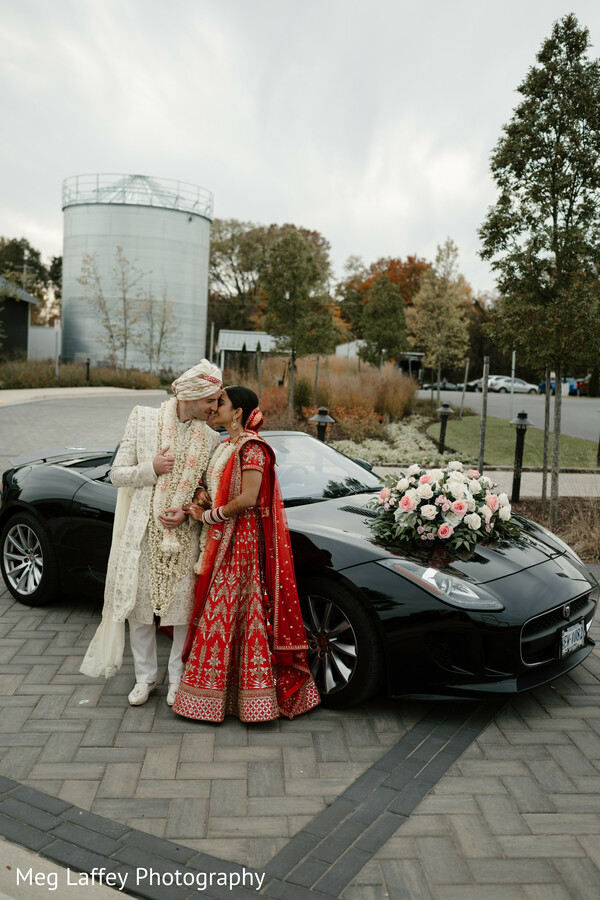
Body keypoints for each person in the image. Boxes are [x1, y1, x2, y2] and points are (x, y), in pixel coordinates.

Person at [172, 386, 320, 723]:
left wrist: (209, 515)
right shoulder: (226, 445)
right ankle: (216, 697)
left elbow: (249, 498)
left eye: (220, 403)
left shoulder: (253, 448)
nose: (214, 408)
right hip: (222, 538)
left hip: (243, 544)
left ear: (237, 412)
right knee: (222, 613)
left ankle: (251, 699)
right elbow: (215, 487)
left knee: (236, 611)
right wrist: (201, 496)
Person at [80, 360, 222, 707]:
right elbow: (117, 474)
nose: (215, 408)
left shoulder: (211, 436)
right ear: (192, 395)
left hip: (183, 535)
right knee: (139, 610)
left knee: (182, 612)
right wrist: (151, 469)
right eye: (211, 401)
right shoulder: (143, 418)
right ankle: (145, 677)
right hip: (143, 533)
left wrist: (189, 511)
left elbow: (206, 487)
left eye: (218, 402)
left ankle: (177, 679)